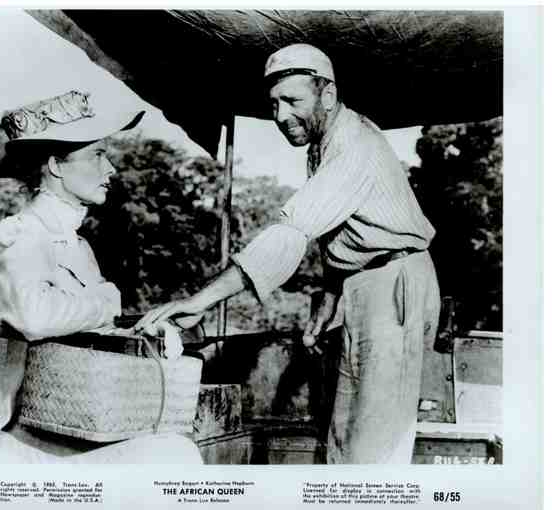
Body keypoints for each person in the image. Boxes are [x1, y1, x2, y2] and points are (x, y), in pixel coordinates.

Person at [136, 44, 441, 464]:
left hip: (394, 284)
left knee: (374, 450)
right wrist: (332, 295)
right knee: (342, 442)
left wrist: (199, 301)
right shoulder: (325, 143)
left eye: (293, 101)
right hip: (363, 283)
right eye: (274, 104)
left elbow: (291, 231)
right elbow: (347, 233)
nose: (280, 116)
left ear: (327, 95)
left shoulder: (355, 146)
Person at [0, 90, 202, 464]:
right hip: (4, 440)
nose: (110, 168)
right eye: (98, 154)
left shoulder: (77, 246)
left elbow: (85, 330)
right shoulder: (22, 233)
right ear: (56, 166)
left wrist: (144, 329)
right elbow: (32, 318)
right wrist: (106, 303)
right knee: (173, 456)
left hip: (63, 428)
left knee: (176, 448)